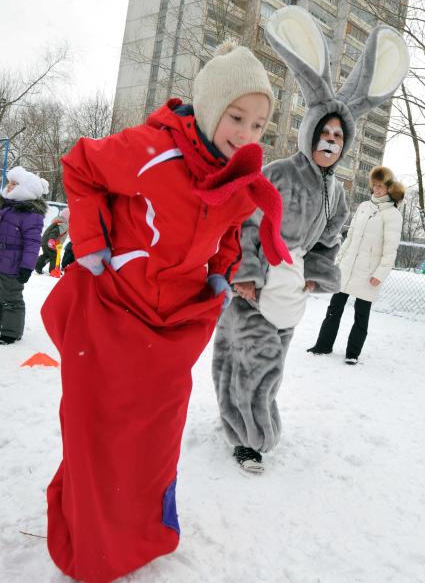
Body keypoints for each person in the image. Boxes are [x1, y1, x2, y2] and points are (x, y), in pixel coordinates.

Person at [40, 40, 291, 583]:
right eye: (236, 117)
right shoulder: (151, 151)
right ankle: (90, 535)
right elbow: (79, 164)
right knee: (98, 431)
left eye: (259, 125)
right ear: (208, 108)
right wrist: (88, 239)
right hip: (112, 311)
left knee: (153, 439)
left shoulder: (237, 177)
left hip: (172, 328)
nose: (247, 135)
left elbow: (227, 229)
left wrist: (223, 268)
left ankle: (141, 532)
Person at [212, 6, 409, 472]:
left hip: (289, 286)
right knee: (243, 356)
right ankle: (249, 438)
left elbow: (329, 241)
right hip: (254, 284)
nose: (331, 141)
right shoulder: (278, 173)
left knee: (268, 361)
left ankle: (243, 426)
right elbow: (247, 223)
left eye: (339, 137)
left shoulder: (337, 193)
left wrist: (313, 276)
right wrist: (247, 274)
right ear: (310, 132)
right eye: (325, 132)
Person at [307, 166, 405, 364]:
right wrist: (339, 260)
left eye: (381, 186)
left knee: (361, 315)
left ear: (389, 187)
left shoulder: (393, 215)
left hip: (369, 272)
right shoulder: (363, 207)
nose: (377, 190)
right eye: (374, 186)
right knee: (334, 308)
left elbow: (390, 250)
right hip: (347, 267)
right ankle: (323, 345)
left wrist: (381, 273)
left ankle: (352, 353)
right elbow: (350, 237)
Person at [0, 166, 48, 344]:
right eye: (9, 183)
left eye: (14, 184)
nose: (9, 186)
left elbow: (32, 243)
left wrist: (27, 267)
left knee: (11, 298)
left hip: (13, 264)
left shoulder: (30, 214)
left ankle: (11, 332)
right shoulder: (5, 207)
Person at [35, 207, 69, 274]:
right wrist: (52, 240)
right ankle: (54, 271)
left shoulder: (57, 222)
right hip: (51, 243)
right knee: (55, 257)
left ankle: (37, 265)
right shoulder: (63, 225)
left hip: (45, 241)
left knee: (47, 255)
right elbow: (55, 232)